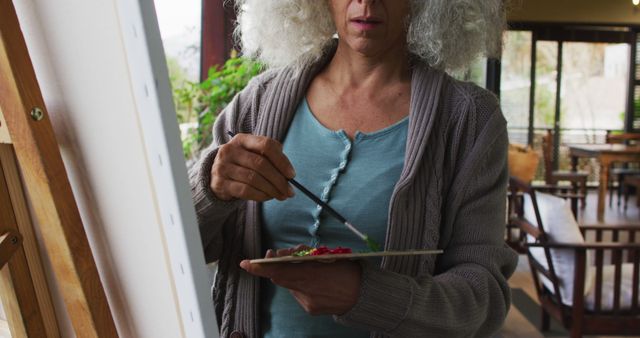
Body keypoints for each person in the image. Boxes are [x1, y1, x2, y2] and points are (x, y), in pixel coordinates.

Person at [189, 0, 518, 337]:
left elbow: (484, 299)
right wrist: (211, 189)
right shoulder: (258, 102)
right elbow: (177, 248)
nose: (366, 2)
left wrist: (368, 295)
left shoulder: (469, 121)